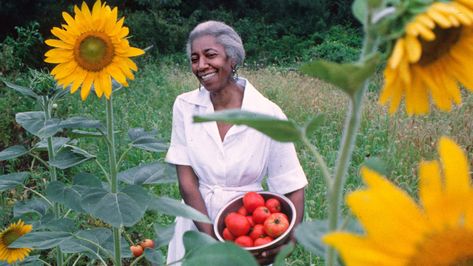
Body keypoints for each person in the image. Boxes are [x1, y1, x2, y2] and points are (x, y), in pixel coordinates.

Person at [165, 20, 308, 265]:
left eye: (210, 55)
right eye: (194, 58)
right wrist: (210, 238)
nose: (201, 66)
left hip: (249, 233)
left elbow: (292, 185)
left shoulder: (267, 113)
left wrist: (286, 242)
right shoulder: (185, 106)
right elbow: (187, 182)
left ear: (232, 59)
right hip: (196, 223)